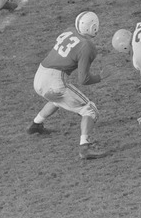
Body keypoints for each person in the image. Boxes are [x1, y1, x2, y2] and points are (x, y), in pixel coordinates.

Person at [29, 11, 108, 160]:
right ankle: (85, 147)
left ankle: (35, 125)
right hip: (54, 80)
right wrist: (101, 77)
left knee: (59, 100)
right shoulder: (88, 46)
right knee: (90, 110)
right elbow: (83, 79)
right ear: (93, 27)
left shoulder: (69, 31)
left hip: (39, 75)